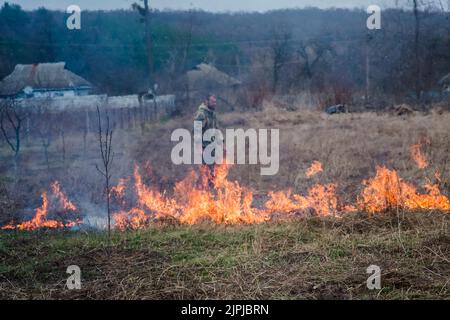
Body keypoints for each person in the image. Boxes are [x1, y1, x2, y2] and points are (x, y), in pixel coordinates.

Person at [194, 94, 219, 187]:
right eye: (212, 102)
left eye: (215, 102)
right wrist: (199, 146)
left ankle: (210, 189)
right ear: (206, 101)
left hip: (213, 146)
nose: (214, 104)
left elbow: (216, 129)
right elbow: (196, 131)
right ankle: (200, 191)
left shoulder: (212, 113)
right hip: (204, 147)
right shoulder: (201, 114)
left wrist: (222, 143)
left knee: (213, 170)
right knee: (205, 171)